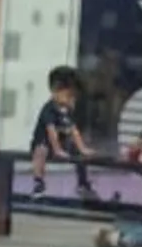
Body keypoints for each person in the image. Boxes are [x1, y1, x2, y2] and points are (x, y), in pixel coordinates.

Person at [30, 66, 96, 200]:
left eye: (72, 96)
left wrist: (82, 148)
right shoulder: (49, 109)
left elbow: (74, 130)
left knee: (78, 153)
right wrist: (57, 149)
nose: (71, 99)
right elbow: (51, 132)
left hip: (62, 142)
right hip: (44, 142)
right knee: (41, 150)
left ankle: (82, 182)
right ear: (55, 92)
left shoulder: (67, 110)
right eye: (68, 96)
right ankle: (38, 182)